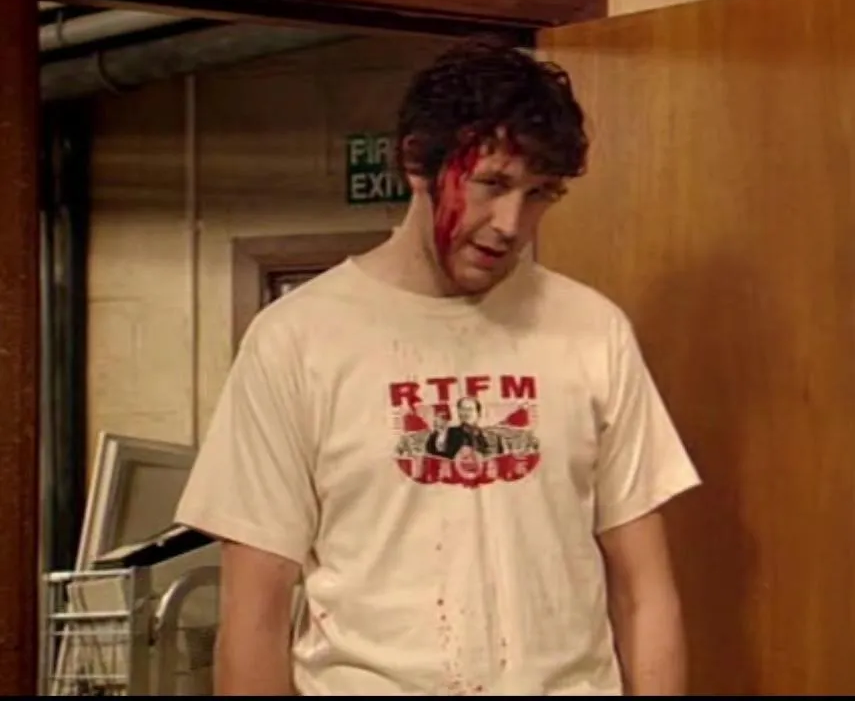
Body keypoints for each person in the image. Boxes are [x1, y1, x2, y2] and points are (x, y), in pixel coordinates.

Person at [173, 38, 702, 696]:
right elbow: (255, 616)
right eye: (492, 183)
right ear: (416, 162)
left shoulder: (593, 331)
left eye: (541, 193)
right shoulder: (295, 341)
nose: (511, 224)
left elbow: (645, 593)